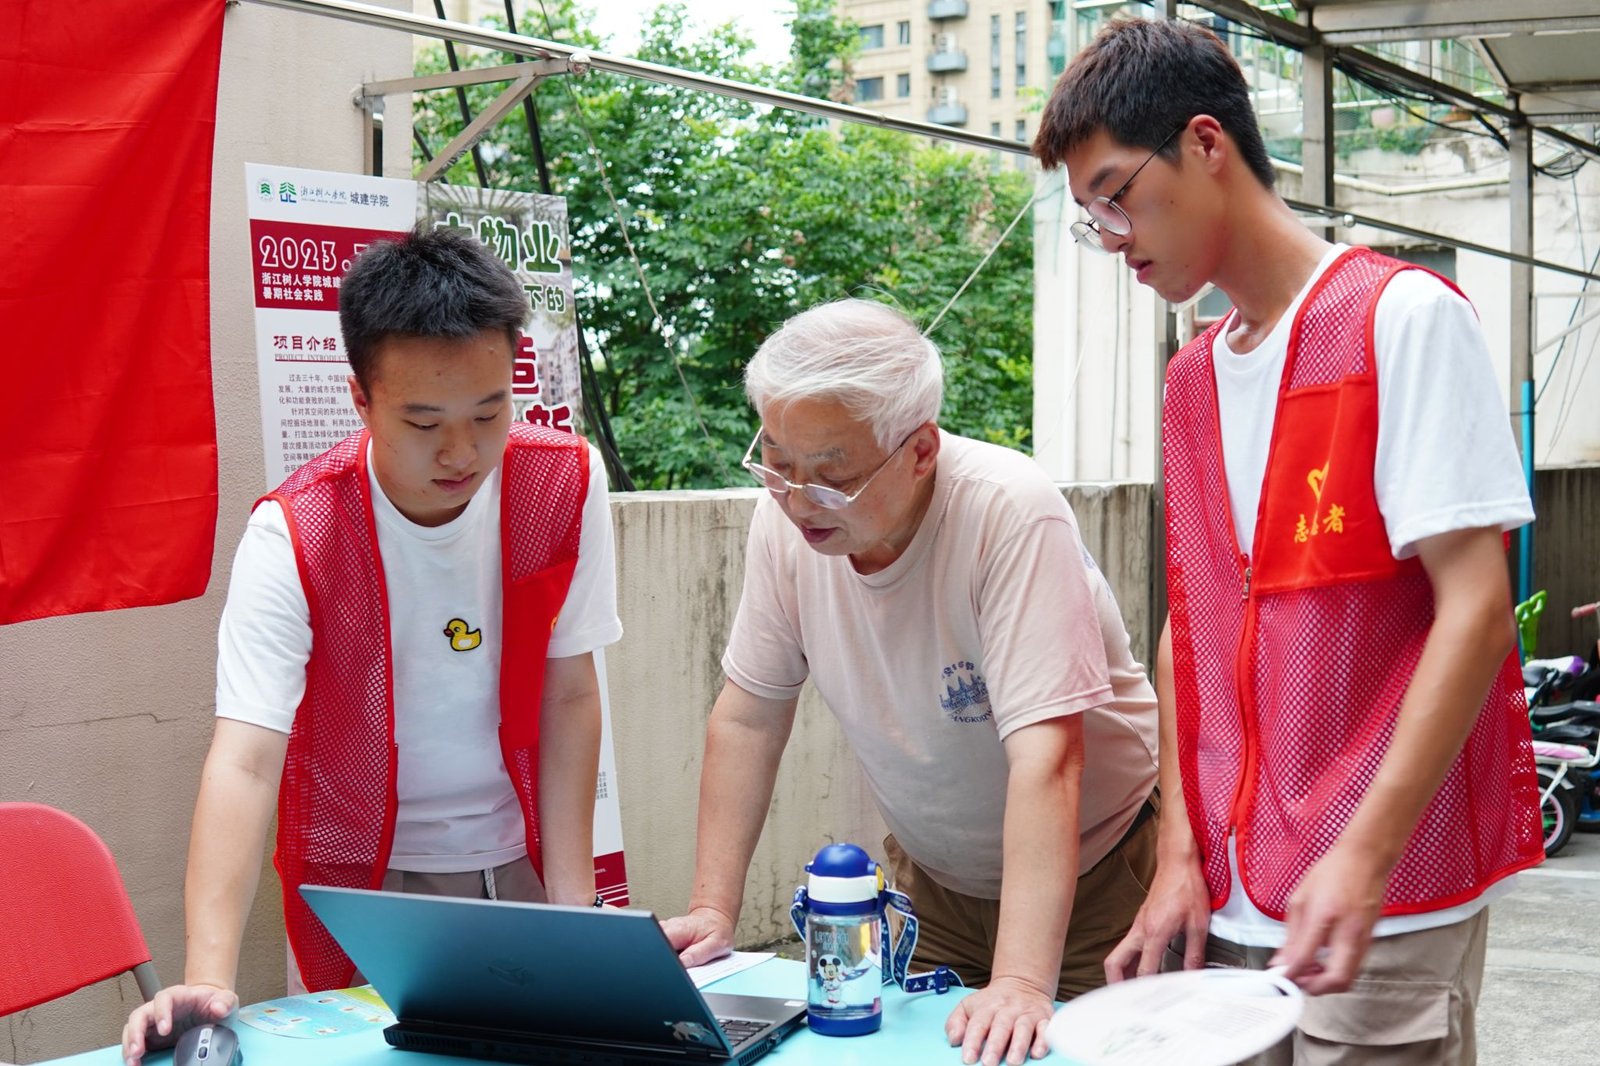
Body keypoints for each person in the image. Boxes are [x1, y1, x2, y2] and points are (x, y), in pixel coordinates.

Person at [1033, 18, 1544, 1065]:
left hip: (1380, 895)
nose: (1111, 234)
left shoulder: (1399, 318)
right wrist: (1176, 853)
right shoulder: (1191, 377)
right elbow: (1196, 626)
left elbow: (1477, 607)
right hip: (1228, 897)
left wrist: (1366, 848)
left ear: (1207, 146)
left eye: (1116, 194)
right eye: (1091, 216)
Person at [122, 226, 621, 1064]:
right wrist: (205, 982)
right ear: (360, 397)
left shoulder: (564, 482)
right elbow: (245, 758)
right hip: (360, 883)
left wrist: (573, 912)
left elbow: (569, 693)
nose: (462, 452)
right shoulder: (298, 531)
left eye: (489, 412)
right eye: (423, 421)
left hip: (521, 853)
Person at [661, 298, 1160, 1066]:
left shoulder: (1007, 512)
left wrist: (1024, 980)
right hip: (937, 883)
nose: (797, 500)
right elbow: (750, 716)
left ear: (921, 449)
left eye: (832, 477)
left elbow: (1050, 757)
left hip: (1103, 876)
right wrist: (712, 909)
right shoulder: (787, 525)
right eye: (777, 464)